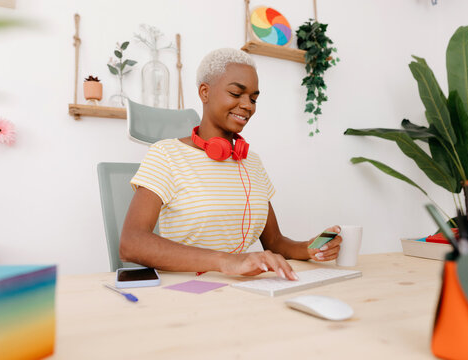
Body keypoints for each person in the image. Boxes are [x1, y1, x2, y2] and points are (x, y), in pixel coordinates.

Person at [120, 48, 342, 281]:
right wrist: (227, 261)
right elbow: (131, 243)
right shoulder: (166, 154)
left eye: (254, 98)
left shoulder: (251, 162)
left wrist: (310, 247)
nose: (248, 105)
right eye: (236, 94)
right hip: (187, 290)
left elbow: (274, 242)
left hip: (240, 288)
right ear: (205, 92)